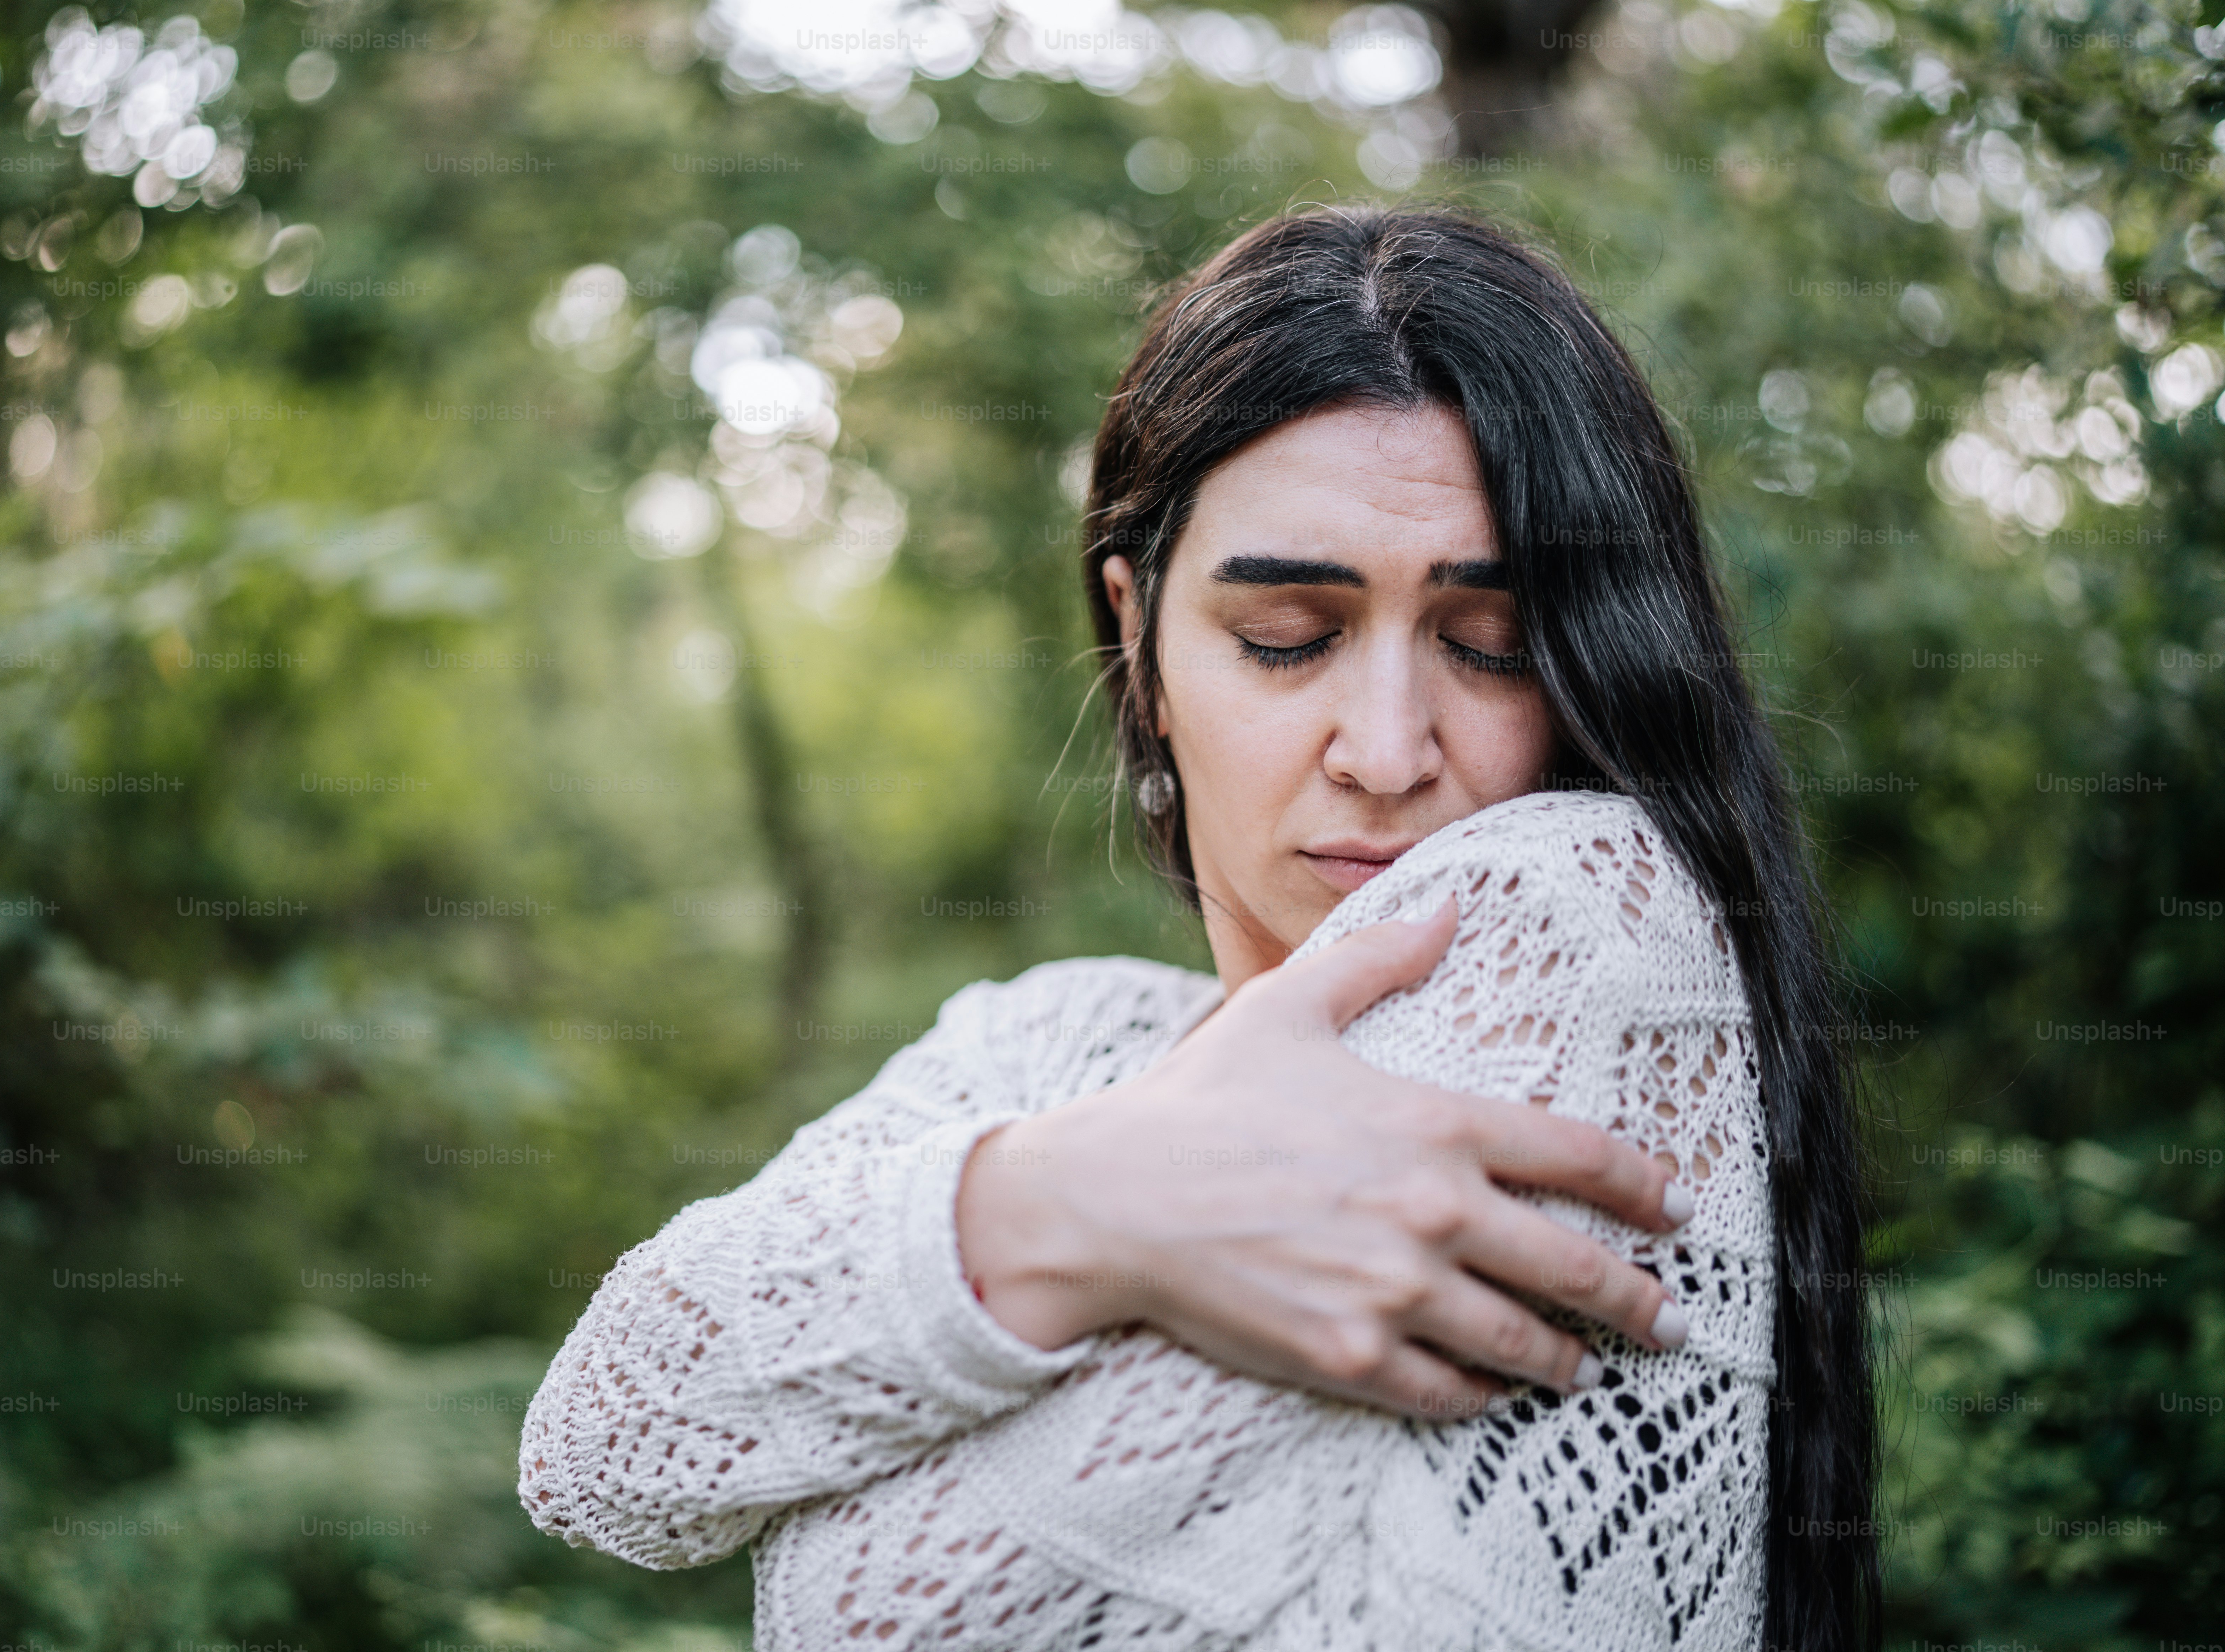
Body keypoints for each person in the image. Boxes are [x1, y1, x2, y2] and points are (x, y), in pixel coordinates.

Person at [520, 208, 1878, 1652]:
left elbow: (894, 1601)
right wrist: (1088, 1206)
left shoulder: (1595, 928)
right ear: (1140, 640)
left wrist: (984, 1308)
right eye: (1287, 633)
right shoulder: (1044, 1038)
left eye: (1493, 644)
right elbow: (603, 1446)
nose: (1386, 746)